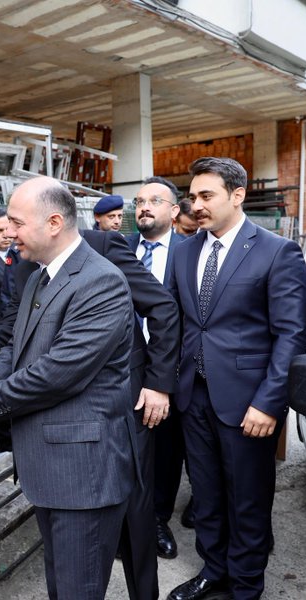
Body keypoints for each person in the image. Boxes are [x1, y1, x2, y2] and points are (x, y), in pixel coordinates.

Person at [0, 226, 179, 600]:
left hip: (125, 395)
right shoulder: (29, 268)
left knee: (135, 511)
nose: (9, 232)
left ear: (53, 221)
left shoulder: (103, 254)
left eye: (18, 221)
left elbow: (159, 306)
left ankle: (145, 590)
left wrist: (158, 382)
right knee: (72, 560)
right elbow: (17, 338)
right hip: (54, 426)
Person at [165, 157, 306, 600]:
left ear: (238, 195)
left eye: (206, 195)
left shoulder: (275, 251)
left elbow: (291, 335)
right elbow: (177, 323)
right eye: (193, 196)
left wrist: (270, 402)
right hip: (194, 395)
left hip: (249, 402)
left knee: (247, 501)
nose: (197, 205)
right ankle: (213, 571)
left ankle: (246, 587)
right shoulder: (184, 249)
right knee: (206, 496)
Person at [127, 176, 191, 560]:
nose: (144, 207)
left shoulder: (191, 252)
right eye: (138, 201)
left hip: (170, 369)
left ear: (174, 210)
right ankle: (126, 519)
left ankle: (156, 518)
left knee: (166, 450)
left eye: (154, 200)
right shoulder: (118, 249)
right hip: (122, 368)